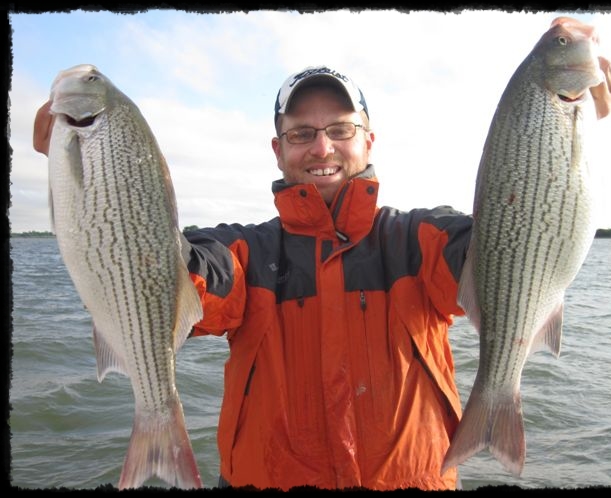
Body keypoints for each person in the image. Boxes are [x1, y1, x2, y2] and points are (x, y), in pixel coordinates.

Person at [34, 66, 473, 491]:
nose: (322, 148)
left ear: (368, 141)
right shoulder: (247, 250)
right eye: (301, 134)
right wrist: (102, 175)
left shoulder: (421, 239)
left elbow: (500, 250)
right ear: (278, 150)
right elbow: (192, 277)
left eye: (340, 130)